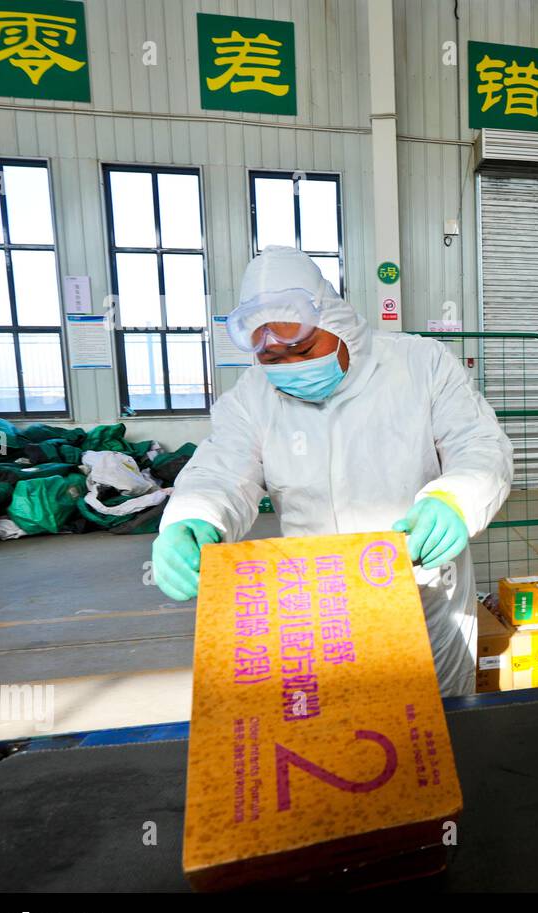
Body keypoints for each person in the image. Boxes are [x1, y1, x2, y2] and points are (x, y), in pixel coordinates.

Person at [151, 245, 513, 695]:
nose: (291, 367)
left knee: (435, 728)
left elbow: (478, 445)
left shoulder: (420, 365)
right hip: (318, 601)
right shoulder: (252, 398)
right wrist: (190, 519)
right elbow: (221, 472)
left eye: (303, 349)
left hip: (424, 592)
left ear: (336, 322)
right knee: (335, 727)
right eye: (273, 360)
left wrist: (454, 499)